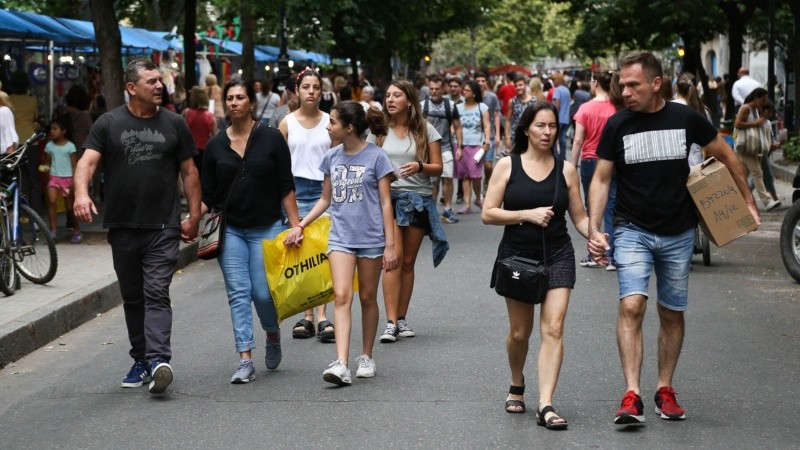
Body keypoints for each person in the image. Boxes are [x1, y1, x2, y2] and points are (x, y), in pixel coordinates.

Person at [587, 51, 760, 426]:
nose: (625, 90)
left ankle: (665, 389)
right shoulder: (618, 124)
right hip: (631, 228)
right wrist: (594, 228)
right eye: (622, 83)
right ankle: (631, 394)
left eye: (633, 84)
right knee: (632, 306)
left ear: (655, 83)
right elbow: (601, 178)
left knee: (671, 311)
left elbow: (726, 154)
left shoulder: (686, 119)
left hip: (680, 233)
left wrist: (747, 199)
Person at [74, 59, 201, 396]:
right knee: (133, 297)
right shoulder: (108, 123)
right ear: (131, 88)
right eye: (151, 81)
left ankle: (159, 359)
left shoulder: (174, 123)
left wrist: (194, 215)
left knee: (156, 291)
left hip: (163, 225)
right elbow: (86, 162)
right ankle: (141, 358)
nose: (159, 85)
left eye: (160, 80)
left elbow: (189, 172)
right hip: (122, 225)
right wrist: (81, 194)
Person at [482, 102, 590, 430]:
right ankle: (517, 381)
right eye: (540, 126)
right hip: (517, 256)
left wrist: (596, 237)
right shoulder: (507, 166)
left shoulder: (566, 170)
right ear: (527, 128)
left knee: (553, 328)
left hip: (557, 254)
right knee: (519, 332)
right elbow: (488, 212)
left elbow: (580, 217)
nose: (547, 132)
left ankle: (546, 403)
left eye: (552, 126)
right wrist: (525, 215)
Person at [284, 101, 398, 386]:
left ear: (348, 128)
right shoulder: (331, 157)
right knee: (342, 295)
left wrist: (390, 244)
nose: (328, 126)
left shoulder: (377, 157)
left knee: (368, 298)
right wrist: (301, 224)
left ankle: (367, 356)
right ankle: (341, 363)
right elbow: (325, 199)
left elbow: (386, 202)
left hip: (371, 238)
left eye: (333, 122)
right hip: (341, 237)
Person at [201, 78, 300, 383]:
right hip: (231, 230)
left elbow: (285, 185)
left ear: (251, 103)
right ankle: (245, 357)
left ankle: (272, 333)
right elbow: (208, 195)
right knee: (238, 293)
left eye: (240, 97)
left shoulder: (270, 138)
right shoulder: (215, 146)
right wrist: (191, 221)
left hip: (267, 226)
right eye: (229, 98)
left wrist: (296, 224)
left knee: (262, 292)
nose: (233, 102)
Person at [368, 80, 447, 342]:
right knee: (393, 258)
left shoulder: (425, 129)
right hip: (388, 199)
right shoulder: (377, 131)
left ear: (409, 101)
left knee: (408, 262)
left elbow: (439, 167)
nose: (390, 100)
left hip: (418, 200)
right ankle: (390, 323)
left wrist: (420, 167)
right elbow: (367, 160)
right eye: (387, 95)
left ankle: (401, 318)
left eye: (396, 95)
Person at [278, 69, 337, 342]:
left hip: (325, 192)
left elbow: (337, 158)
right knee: (302, 253)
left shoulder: (330, 122)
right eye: (306, 87)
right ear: (297, 91)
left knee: (324, 253)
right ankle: (308, 315)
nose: (311, 91)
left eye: (316, 87)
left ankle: (323, 316)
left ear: (321, 91)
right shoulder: (286, 123)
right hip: (295, 192)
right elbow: (278, 165)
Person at [570, 69, 622, 270]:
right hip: (613, 161)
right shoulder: (617, 107)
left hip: (591, 160)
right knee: (612, 206)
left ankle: (594, 253)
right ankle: (612, 255)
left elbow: (578, 140)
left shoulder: (585, 108)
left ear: (595, 83)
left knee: (592, 208)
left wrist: (572, 165)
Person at [734, 88, 780, 211]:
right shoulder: (746, 108)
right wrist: (754, 123)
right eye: (762, 99)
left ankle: (736, 199)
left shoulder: (754, 110)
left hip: (751, 147)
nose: (763, 102)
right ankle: (767, 201)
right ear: (756, 98)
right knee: (758, 172)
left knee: (743, 176)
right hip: (745, 147)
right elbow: (737, 124)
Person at [454, 80, 490, 214]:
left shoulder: (482, 107)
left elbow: (486, 125)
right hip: (461, 144)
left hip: (477, 145)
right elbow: (455, 125)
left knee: (476, 175)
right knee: (465, 176)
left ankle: (478, 198)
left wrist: (487, 141)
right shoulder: (458, 108)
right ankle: (467, 205)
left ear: (474, 93)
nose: (464, 92)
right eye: (464, 90)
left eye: (468, 90)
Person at [43, 119, 80, 243]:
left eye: (55, 129)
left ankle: (76, 230)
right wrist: (47, 172)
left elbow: (75, 165)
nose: (52, 132)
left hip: (68, 179)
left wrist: (74, 181)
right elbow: (47, 162)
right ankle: (53, 230)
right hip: (54, 178)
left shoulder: (70, 146)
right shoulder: (49, 146)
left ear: (63, 131)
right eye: (51, 129)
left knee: (70, 207)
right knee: (52, 201)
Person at [182, 86, 218, 177]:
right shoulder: (210, 116)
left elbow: (181, 132)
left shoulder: (186, 112)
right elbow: (216, 137)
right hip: (204, 151)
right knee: (203, 175)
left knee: (189, 175)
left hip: (189, 150)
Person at [475, 73, 501, 183]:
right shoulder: (472, 97)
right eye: (478, 81)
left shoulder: (492, 97)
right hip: (475, 136)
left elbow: (496, 116)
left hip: (489, 135)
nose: (481, 83)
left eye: (483, 81)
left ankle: (488, 181)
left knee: (488, 165)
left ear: (486, 82)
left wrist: (498, 135)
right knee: (475, 165)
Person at [504, 76, 535, 151]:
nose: (518, 87)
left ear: (525, 85)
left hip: (531, 136)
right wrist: (507, 137)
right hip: (515, 136)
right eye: (516, 86)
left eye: (520, 85)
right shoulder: (512, 101)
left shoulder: (534, 100)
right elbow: (508, 120)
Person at [550, 74, 571, 161]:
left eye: (554, 80)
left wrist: (552, 114)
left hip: (558, 118)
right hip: (566, 119)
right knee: (562, 140)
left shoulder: (557, 90)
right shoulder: (567, 90)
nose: (553, 82)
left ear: (559, 80)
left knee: (553, 139)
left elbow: (557, 104)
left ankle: (555, 157)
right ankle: (563, 157)